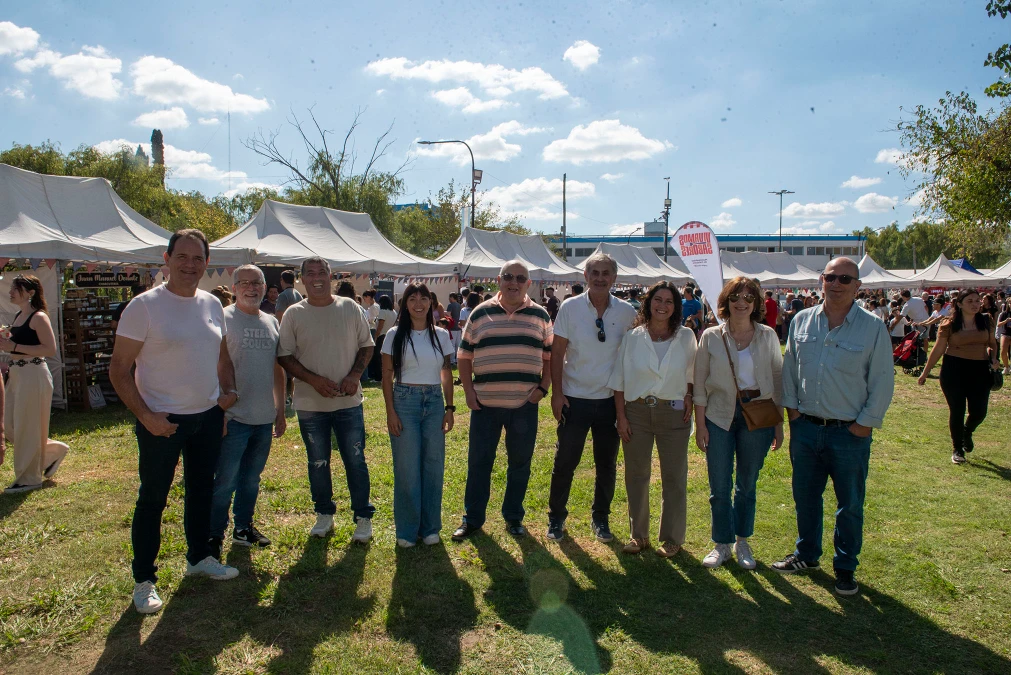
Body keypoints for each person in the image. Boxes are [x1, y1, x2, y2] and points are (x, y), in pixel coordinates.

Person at [110, 229, 241, 615]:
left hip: (207, 417)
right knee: (153, 499)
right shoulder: (143, 307)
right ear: (166, 259)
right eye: (181, 257)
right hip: (161, 421)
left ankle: (199, 557)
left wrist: (226, 395)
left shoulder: (213, 305)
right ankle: (144, 579)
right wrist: (147, 417)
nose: (189, 265)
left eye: (197, 258)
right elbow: (118, 370)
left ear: (206, 263)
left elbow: (221, 357)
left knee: (201, 490)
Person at [772, 257, 894, 597]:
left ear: (857, 287)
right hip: (807, 429)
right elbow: (791, 369)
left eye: (845, 278)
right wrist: (793, 414)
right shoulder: (801, 321)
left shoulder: (871, 327)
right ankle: (807, 554)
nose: (836, 283)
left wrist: (864, 425)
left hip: (848, 432)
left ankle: (845, 567)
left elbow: (882, 380)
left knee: (850, 503)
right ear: (820, 281)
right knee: (805, 497)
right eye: (830, 277)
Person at [451, 261, 552, 541]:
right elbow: (464, 355)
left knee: (520, 464)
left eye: (520, 278)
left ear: (528, 283)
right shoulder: (480, 313)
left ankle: (513, 517)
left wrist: (543, 388)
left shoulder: (541, 316)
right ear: (498, 280)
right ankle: (472, 519)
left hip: (524, 406)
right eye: (508, 276)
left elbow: (550, 357)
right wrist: (469, 392)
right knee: (479, 463)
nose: (513, 282)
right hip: (485, 405)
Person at [277, 257, 376, 542]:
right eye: (311, 273)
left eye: (323, 272)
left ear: (331, 276)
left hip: (348, 402)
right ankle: (324, 514)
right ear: (302, 279)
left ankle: (362, 517)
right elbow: (284, 355)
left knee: (355, 461)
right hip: (310, 404)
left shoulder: (350, 307)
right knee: (317, 462)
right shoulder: (294, 314)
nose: (317, 277)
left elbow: (366, 346)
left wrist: (355, 375)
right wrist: (313, 380)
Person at [694, 277, 784, 570]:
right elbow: (699, 383)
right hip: (719, 415)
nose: (741, 302)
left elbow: (778, 378)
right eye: (735, 297)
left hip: (757, 416)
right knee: (719, 485)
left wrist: (779, 423)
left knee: (747, 485)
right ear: (726, 302)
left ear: (756, 303)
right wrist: (701, 424)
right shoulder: (710, 336)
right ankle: (721, 543)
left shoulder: (768, 336)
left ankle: (742, 541)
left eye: (748, 297)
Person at [548, 252, 637, 542]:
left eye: (606, 273)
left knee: (606, 464)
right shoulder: (570, 308)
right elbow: (557, 353)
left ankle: (600, 519)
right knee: (565, 462)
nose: (600, 278)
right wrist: (556, 394)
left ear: (614, 278)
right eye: (594, 272)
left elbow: (633, 356)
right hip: (575, 399)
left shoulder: (626, 312)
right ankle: (556, 518)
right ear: (585, 276)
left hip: (611, 401)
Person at [608, 281, 696, 557]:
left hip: (674, 413)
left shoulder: (686, 337)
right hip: (636, 412)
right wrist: (621, 417)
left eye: (669, 301)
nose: (663, 306)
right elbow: (619, 381)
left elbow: (694, 375)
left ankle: (671, 538)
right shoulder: (633, 337)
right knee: (636, 475)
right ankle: (639, 536)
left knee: (674, 477)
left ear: (676, 307)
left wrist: (691, 398)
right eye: (658, 300)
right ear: (648, 302)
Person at [208, 265, 287, 560]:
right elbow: (213, 366)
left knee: (251, 478)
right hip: (234, 417)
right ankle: (214, 534)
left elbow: (278, 370)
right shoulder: (222, 319)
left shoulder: (272, 322)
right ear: (234, 287)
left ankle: (243, 529)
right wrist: (220, 413)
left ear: (265, 287)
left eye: (257, 283)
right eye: (244, 283)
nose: (251, 288)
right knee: (224, 481)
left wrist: (280, 410)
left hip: (263, 416)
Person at [381, 284, 455, 547]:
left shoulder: (442, 335)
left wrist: (449, 408)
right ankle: (407, 531)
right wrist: (390, 411)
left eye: (423, 298)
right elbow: (387, 375)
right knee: (407, 468)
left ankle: (430, 527)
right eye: (412, 299)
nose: (418, 303)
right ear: (405, 304)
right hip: (404, 402)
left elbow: (446, 374)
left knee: (433, 465)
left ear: (431, 302)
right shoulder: (393, 335)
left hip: (434, 402)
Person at [0, 274, 69, 493]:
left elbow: (50, 350)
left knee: (26, 427)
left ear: (30, 293)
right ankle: (52, 451)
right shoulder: (19, 315)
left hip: (34, 373)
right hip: (18, 375)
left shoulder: (39, 317)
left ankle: (28, 478)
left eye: (16, 288)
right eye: (11, 287)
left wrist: (13, 345)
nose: (11, 291)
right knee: (10, 425)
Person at [918, 290, 1000, 464]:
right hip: (953, 369)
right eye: (970, 301)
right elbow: (938, 349)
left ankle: (967, 431)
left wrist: (994, 357)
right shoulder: (949, 323)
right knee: (957, 410)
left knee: (979, 412)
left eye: (978, 301)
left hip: (980, 370)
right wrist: (925, 372)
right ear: (960, 304)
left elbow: (992, 342)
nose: (975, 304)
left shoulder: (986, 320)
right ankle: (957, 449)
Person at [274, 269, 303, 404]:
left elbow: (279, 314)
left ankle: (285, 397)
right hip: (299, 333)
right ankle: (293, 394)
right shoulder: (298, 295)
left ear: (282, 281)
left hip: (286, 334)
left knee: (284, 367)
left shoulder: (283, 295)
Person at [369, 295, 398, 382]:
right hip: (391, 335)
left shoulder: (382, 312)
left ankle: (378, 377)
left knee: (378, 357)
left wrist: (375, 337)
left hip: (382, 336)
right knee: (390, 357)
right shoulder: (394, 312)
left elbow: (380, 326)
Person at [997, 300, 1011, 375]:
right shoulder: (1004, 313)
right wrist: (1006, 321)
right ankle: (1006, 367)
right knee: (1003, 352)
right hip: (1005, 333)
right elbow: (998, 324)